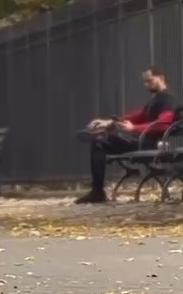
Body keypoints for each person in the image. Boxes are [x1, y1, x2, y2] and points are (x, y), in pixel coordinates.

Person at [76, 66, 177, 202]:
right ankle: (97, 190)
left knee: (100, 142)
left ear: (161, 78)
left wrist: (134, 128)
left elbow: (164, 124)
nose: (146, 85)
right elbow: (138, 115)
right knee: (99, 142)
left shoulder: (167, 99)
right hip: (140, 141)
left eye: (149, 81)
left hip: (149, 143)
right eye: (145, 82)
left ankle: (97, 192)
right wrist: (110, 122)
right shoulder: (156, 99)